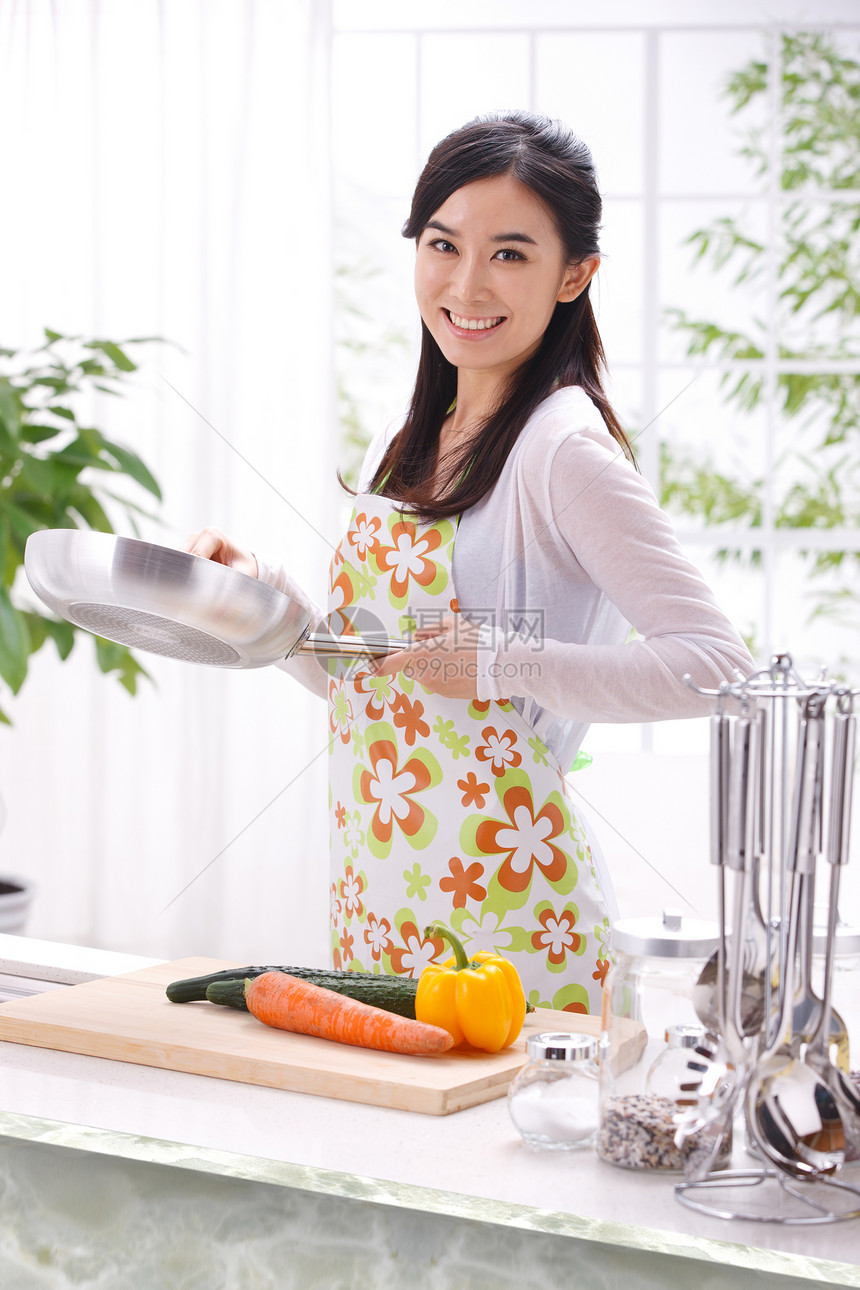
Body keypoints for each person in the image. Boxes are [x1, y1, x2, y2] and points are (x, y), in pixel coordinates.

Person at [187, 111, 753, 1013]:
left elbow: (719, 667)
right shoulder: (407, 437)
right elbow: (381, 681)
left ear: (577, 274)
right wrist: (262, 598)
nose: (466, 283)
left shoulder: (561, 448)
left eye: (512, 254)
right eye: (443, 244)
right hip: (384, 904)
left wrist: (495, 661)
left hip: (515, 924)